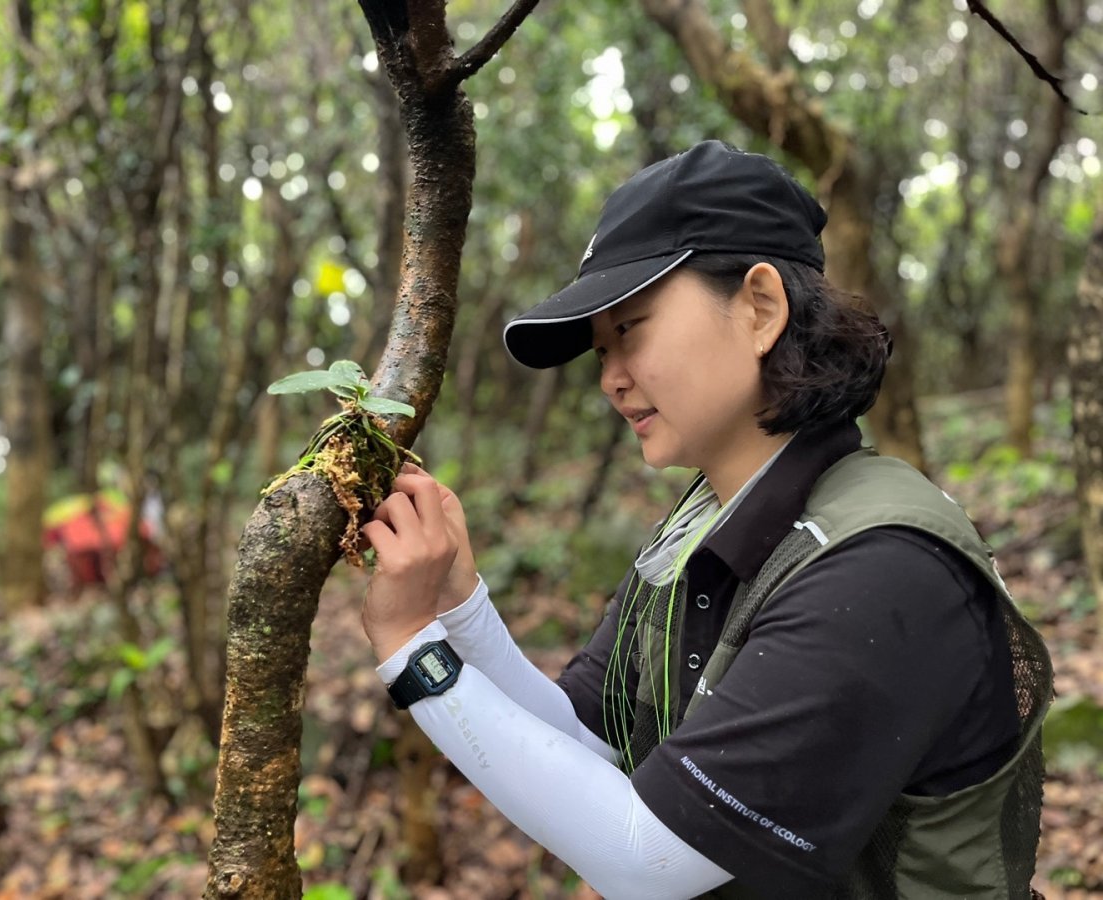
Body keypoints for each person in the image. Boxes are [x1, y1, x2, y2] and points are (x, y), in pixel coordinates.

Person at [359, 141, 1052, 899]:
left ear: (760, 308)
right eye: (600, 349)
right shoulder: (705, 522)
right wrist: (458, 604)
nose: (612, 378)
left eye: (632, 327)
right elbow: (589, 736)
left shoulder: (883, 569)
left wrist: (412, 651)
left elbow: (648, 857)